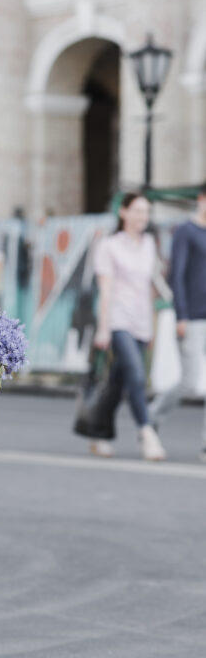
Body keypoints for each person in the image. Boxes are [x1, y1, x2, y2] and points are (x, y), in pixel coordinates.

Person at [91, 192, 168, 461]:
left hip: (143, 322)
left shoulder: (149, 243)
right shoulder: (109, 246)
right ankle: (147, 434)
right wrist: (103, 328)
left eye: (146, 212)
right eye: (137, 211)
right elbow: (106, 290)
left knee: (117, 381)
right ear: (123, 212)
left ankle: (98, 432)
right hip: (119, 321)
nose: (142, 217)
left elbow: (152, 285)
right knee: (136, 375)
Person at [150, 181, 206, 461]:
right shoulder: (186, 231)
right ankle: (150, 418)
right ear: (201, 199)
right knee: (189, 381)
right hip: (192, 317)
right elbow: (177, 276)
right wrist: (181, 314)